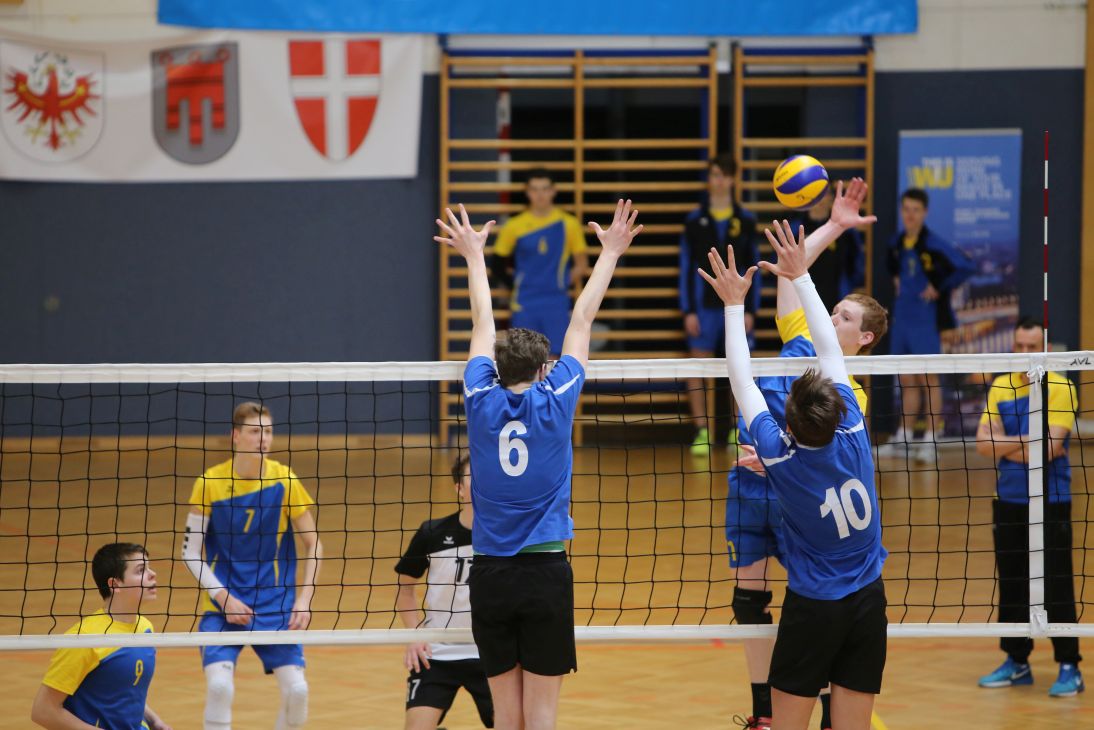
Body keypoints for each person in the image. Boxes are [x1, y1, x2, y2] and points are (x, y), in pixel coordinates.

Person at [436, 198, 641, 730]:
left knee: (507, 716)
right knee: (542, 716)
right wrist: (610, 253)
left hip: (490, 574)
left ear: (495, 367)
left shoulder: (479, 397)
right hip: (546, 572)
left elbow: (482, 320)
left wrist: (474, 256)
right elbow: (582, 319)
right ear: (545, 368)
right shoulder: (557, 398)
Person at [702, 220, 887, 730]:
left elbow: (741, 380)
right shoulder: (852, 426)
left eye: (844, 314)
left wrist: (734, 305)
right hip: (863, 588)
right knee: (751, 600)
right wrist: (828, 232)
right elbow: (812, 324)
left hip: (809, 572)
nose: (830, 316)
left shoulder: (784, 452)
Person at [181, 402, 323, 730]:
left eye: (268, 431)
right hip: (223, 607)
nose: (264, 439)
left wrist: (304, 600)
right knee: (220, 687)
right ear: (236, 436)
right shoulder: (209, 482)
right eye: (255, 431)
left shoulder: (284, 480)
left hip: (275, 606)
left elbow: (314, 544)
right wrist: (223, 598)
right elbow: (190, 552)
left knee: (298, 691)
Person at [975, 318, 1084, 697]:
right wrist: (1028, 440)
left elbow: (1050, 448)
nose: (1024, 353)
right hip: (1008, 498)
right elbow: (982, 445)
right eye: (1019, 346)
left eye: (1031, 346)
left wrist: (1006, 443)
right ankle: (1017, 661)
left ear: (1045, 349)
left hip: (1051, 499)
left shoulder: (1061, 387)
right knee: (1012, 583)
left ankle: (1069, 665)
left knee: (1056, 582)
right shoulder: (1001, 385)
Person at [395, 454, 494, 729]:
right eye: (473, 477)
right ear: (459, 489)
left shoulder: (506, 537)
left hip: (491, 654)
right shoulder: (432, 533)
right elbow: (405, 590)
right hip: (437, 653)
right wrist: (415, 635)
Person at [31, 542, 171, 730]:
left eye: (149, 567)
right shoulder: (84, 639)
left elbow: (123, 691)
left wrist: (155, 720)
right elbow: (43, 711)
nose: (152, 574)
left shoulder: (145, 628)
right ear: (115, 584)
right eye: (141, 570)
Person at [883, 188, 974, 459]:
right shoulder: (896, 242)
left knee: (929, 379)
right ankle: (903, 438)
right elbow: (892, 267)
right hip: (902, 316)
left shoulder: (933, 243)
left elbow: (966, 266)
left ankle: (931, 441)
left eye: (916, 210)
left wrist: (939, 286)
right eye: (906, 209)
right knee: (906, 378)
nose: (910, 215)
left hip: (925, 318)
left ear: (925, 212)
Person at [678, 154, 758, 453]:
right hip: (703, 309)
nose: (719, 180)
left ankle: (741, 433)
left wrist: (751, 310)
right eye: (714, 174)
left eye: (724, 175)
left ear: (733, 179)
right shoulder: (694, 220)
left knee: (741, 368)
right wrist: (688, 310)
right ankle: (702, 431)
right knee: (698, 369)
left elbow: (754, 267)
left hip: (736, 306)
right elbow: (685, 267)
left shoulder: (746, 220)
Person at [490, 168, 590, 355]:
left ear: (553, 191)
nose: (540, 194)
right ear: (527, 192)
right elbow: (497, 264)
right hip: (524, 302)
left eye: (545, 189)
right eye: (535, 189)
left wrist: (559, 283)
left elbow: (581, 264)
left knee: (557, 356)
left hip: (556, 302)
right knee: (523, 356)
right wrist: (516, 284)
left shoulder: (569, 224)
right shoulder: (514, 226)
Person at [792, 186, 865, 308]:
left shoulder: (846, 231)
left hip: (837, 298)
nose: (819, 199)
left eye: (823, 194)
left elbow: (857, 263)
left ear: (832, 198)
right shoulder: (794, 230)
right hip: (801, 301)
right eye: (814, 193)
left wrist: (850, 285)